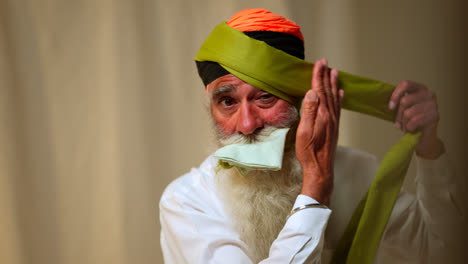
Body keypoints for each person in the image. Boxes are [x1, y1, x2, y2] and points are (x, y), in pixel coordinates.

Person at [159, 8, 461, 263]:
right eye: (228, 102)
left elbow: (443, 250)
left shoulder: (357, 170)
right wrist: (315, 190)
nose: (248, 124)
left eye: (265, 97)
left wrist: (429, 149)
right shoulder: (188, 201)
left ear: (303, 100)